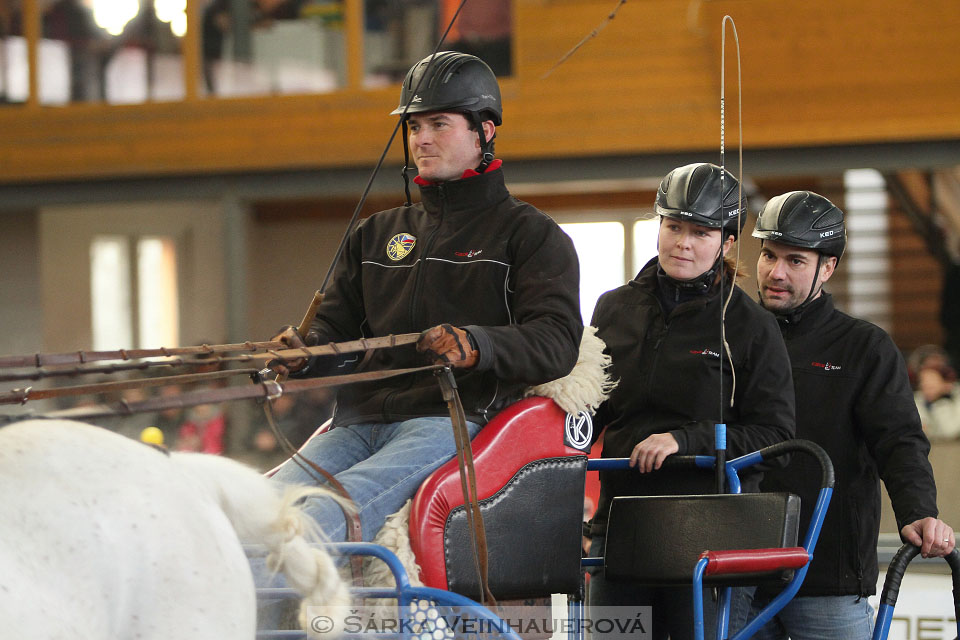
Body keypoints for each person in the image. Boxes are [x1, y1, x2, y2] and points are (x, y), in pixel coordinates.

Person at [266, 51, 582, 546]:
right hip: (356, 420)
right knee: (257, 513)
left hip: (451, 421)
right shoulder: (375, 234)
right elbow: (337, 332)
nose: (422, 139)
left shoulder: (531, 235)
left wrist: (476, 344)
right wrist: (305, 356)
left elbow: (557, 341)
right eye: (414, 127)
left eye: (439, 123)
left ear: (485, 132)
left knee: (313, 524)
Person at [586, 163, 796, 640]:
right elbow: (588, 409)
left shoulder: (750, 326)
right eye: (673, 226)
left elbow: (776, 434)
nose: (682, 242)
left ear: (725, 243)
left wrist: (686, 440)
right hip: (620, 523)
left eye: (699, 232)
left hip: (706, 528)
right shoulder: (613, 307)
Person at [734, 190, 956, 640]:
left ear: (827, 267)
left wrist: (919, 511)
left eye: (795, 261)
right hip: (738, 572)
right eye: (769, 255)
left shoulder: (864, 347)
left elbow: (899, 441)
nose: (776, 273)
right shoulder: (731, 340)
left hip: (830, 577)